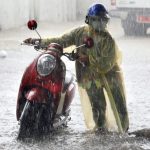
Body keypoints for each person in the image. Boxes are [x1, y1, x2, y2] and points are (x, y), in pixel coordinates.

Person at [24, 3, 129, 133]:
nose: (100, 23)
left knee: (119, 104)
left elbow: (106, 63)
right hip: (89, 77)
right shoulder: (80, 33)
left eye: (103, 20)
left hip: (110, 76)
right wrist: (39, 42)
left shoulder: (108, 40)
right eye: (96, 19)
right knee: (97, 106)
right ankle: (101, 131)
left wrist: (88, 59)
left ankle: (124, 131)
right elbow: (61, 40)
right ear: (89, 20)